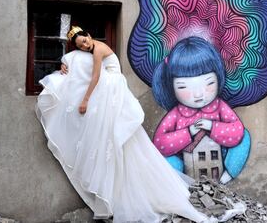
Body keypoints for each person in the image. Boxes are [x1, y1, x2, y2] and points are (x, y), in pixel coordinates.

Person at [36, 26, 210, 223]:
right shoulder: (88, 52)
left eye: (84, 41)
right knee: (108, 140)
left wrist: (85, 100)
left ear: (89, 34)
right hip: (108, 92)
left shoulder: (99, 48)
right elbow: (83, 64)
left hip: (112, 91)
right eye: (80, 46)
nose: (84, 46)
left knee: (116, 138)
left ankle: (125, 195)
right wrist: (64, 66)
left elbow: (96, 77)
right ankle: (114, 193)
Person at [152, 37, 251, 184]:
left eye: (209, 83)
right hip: (183, 160)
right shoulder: (176, 114)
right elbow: (160, 142)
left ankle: (225, 178)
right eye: (183, 87)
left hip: (218, 159)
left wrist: (212, 127)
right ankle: (181, 183)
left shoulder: (219, 106)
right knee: (164, 158)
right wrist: (189, 132)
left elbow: (236, 130)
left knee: (245, 137)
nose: (198, 95)